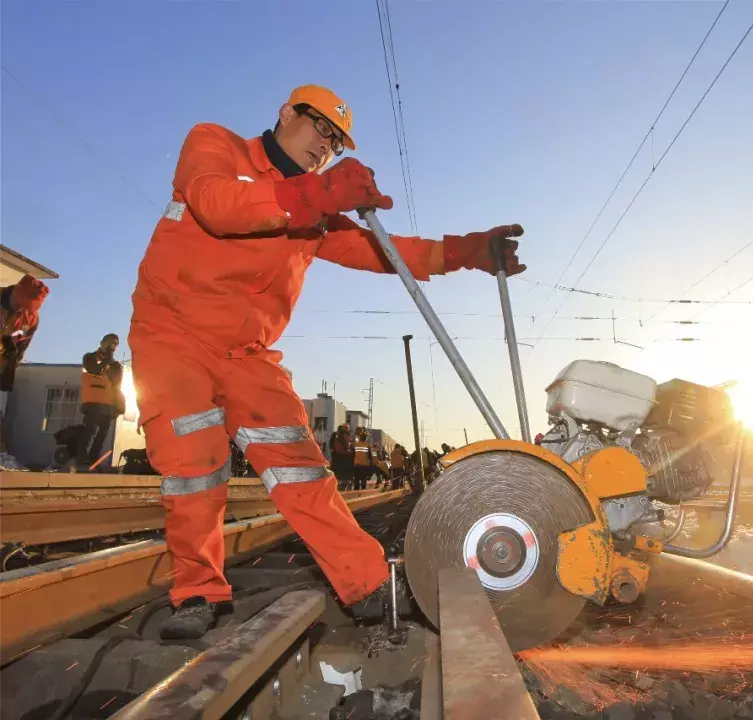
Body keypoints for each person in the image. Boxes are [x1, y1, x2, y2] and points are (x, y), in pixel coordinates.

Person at [128, 84, 525, 640]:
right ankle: (197, 591)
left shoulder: (311, 209)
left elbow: (381, 250)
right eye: (321, 129)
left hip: (247, 353)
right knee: (195, 466)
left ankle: (366, 586)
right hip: (172, 335)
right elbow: (215, 204)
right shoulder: (215, 144)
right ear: (287, 113)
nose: (326, 146)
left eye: (336, 142)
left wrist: (463, 252)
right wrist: (316, 193)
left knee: (303, 471)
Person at [0, 275, 49, 465]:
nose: (24, 310)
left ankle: (2, 454)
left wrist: (15, 355)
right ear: (16, 292)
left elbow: (23, 344)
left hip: (3, 370)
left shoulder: (32, 318)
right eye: (24, 304)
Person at [78, 334, 126, 470]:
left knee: (102, 434)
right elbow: (93, 369)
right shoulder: (89, 357)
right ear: (102, 342)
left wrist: (119, 405)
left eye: (115, 344)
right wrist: (106, 361)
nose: (112, 346)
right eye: (110, 342)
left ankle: (93, 459)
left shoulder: (115, 365)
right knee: (90, 429)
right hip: (92, 401)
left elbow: (116, 382)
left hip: (108, 404)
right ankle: (81, 457)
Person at [329, 423, 354, 491]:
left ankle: (337, 486)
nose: (346, 429)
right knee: (343, 475)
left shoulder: (336, 435)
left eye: (347, 428)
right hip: (343, 457)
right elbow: (349, 446)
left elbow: (331, 445)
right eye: (345, 428)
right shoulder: (345, 435)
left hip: (337, 457)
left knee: (338, 473)